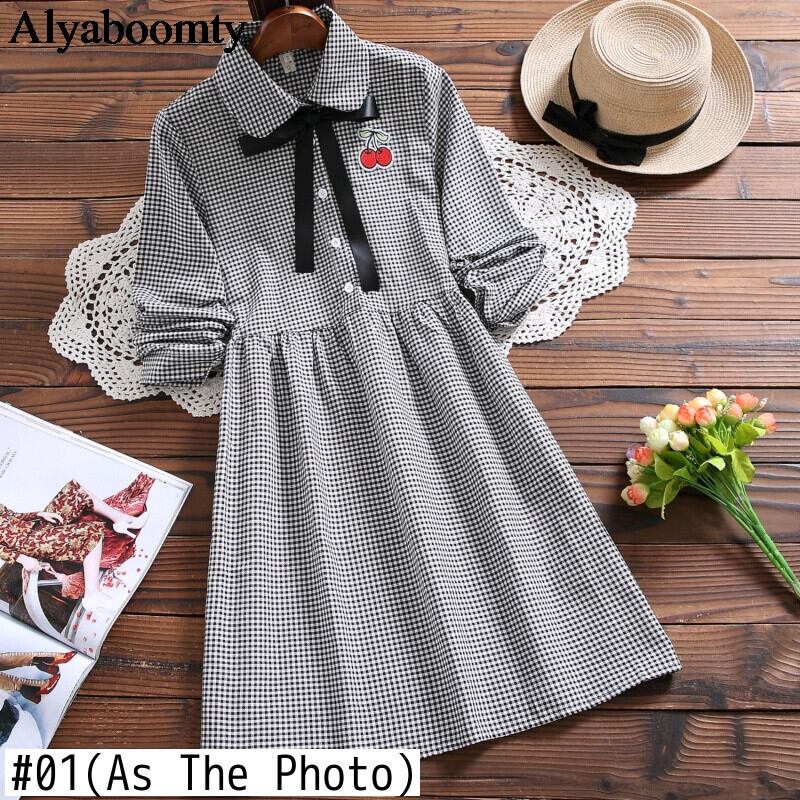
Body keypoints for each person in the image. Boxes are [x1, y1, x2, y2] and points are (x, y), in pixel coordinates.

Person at [0, 479, 148, 613]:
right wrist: (22, 558)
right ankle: (92, 595)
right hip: (28, 543)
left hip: (35, 526)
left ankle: (121, 520)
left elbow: (11, 517)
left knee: (75, 491)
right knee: (90, 533)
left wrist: (38, 514)